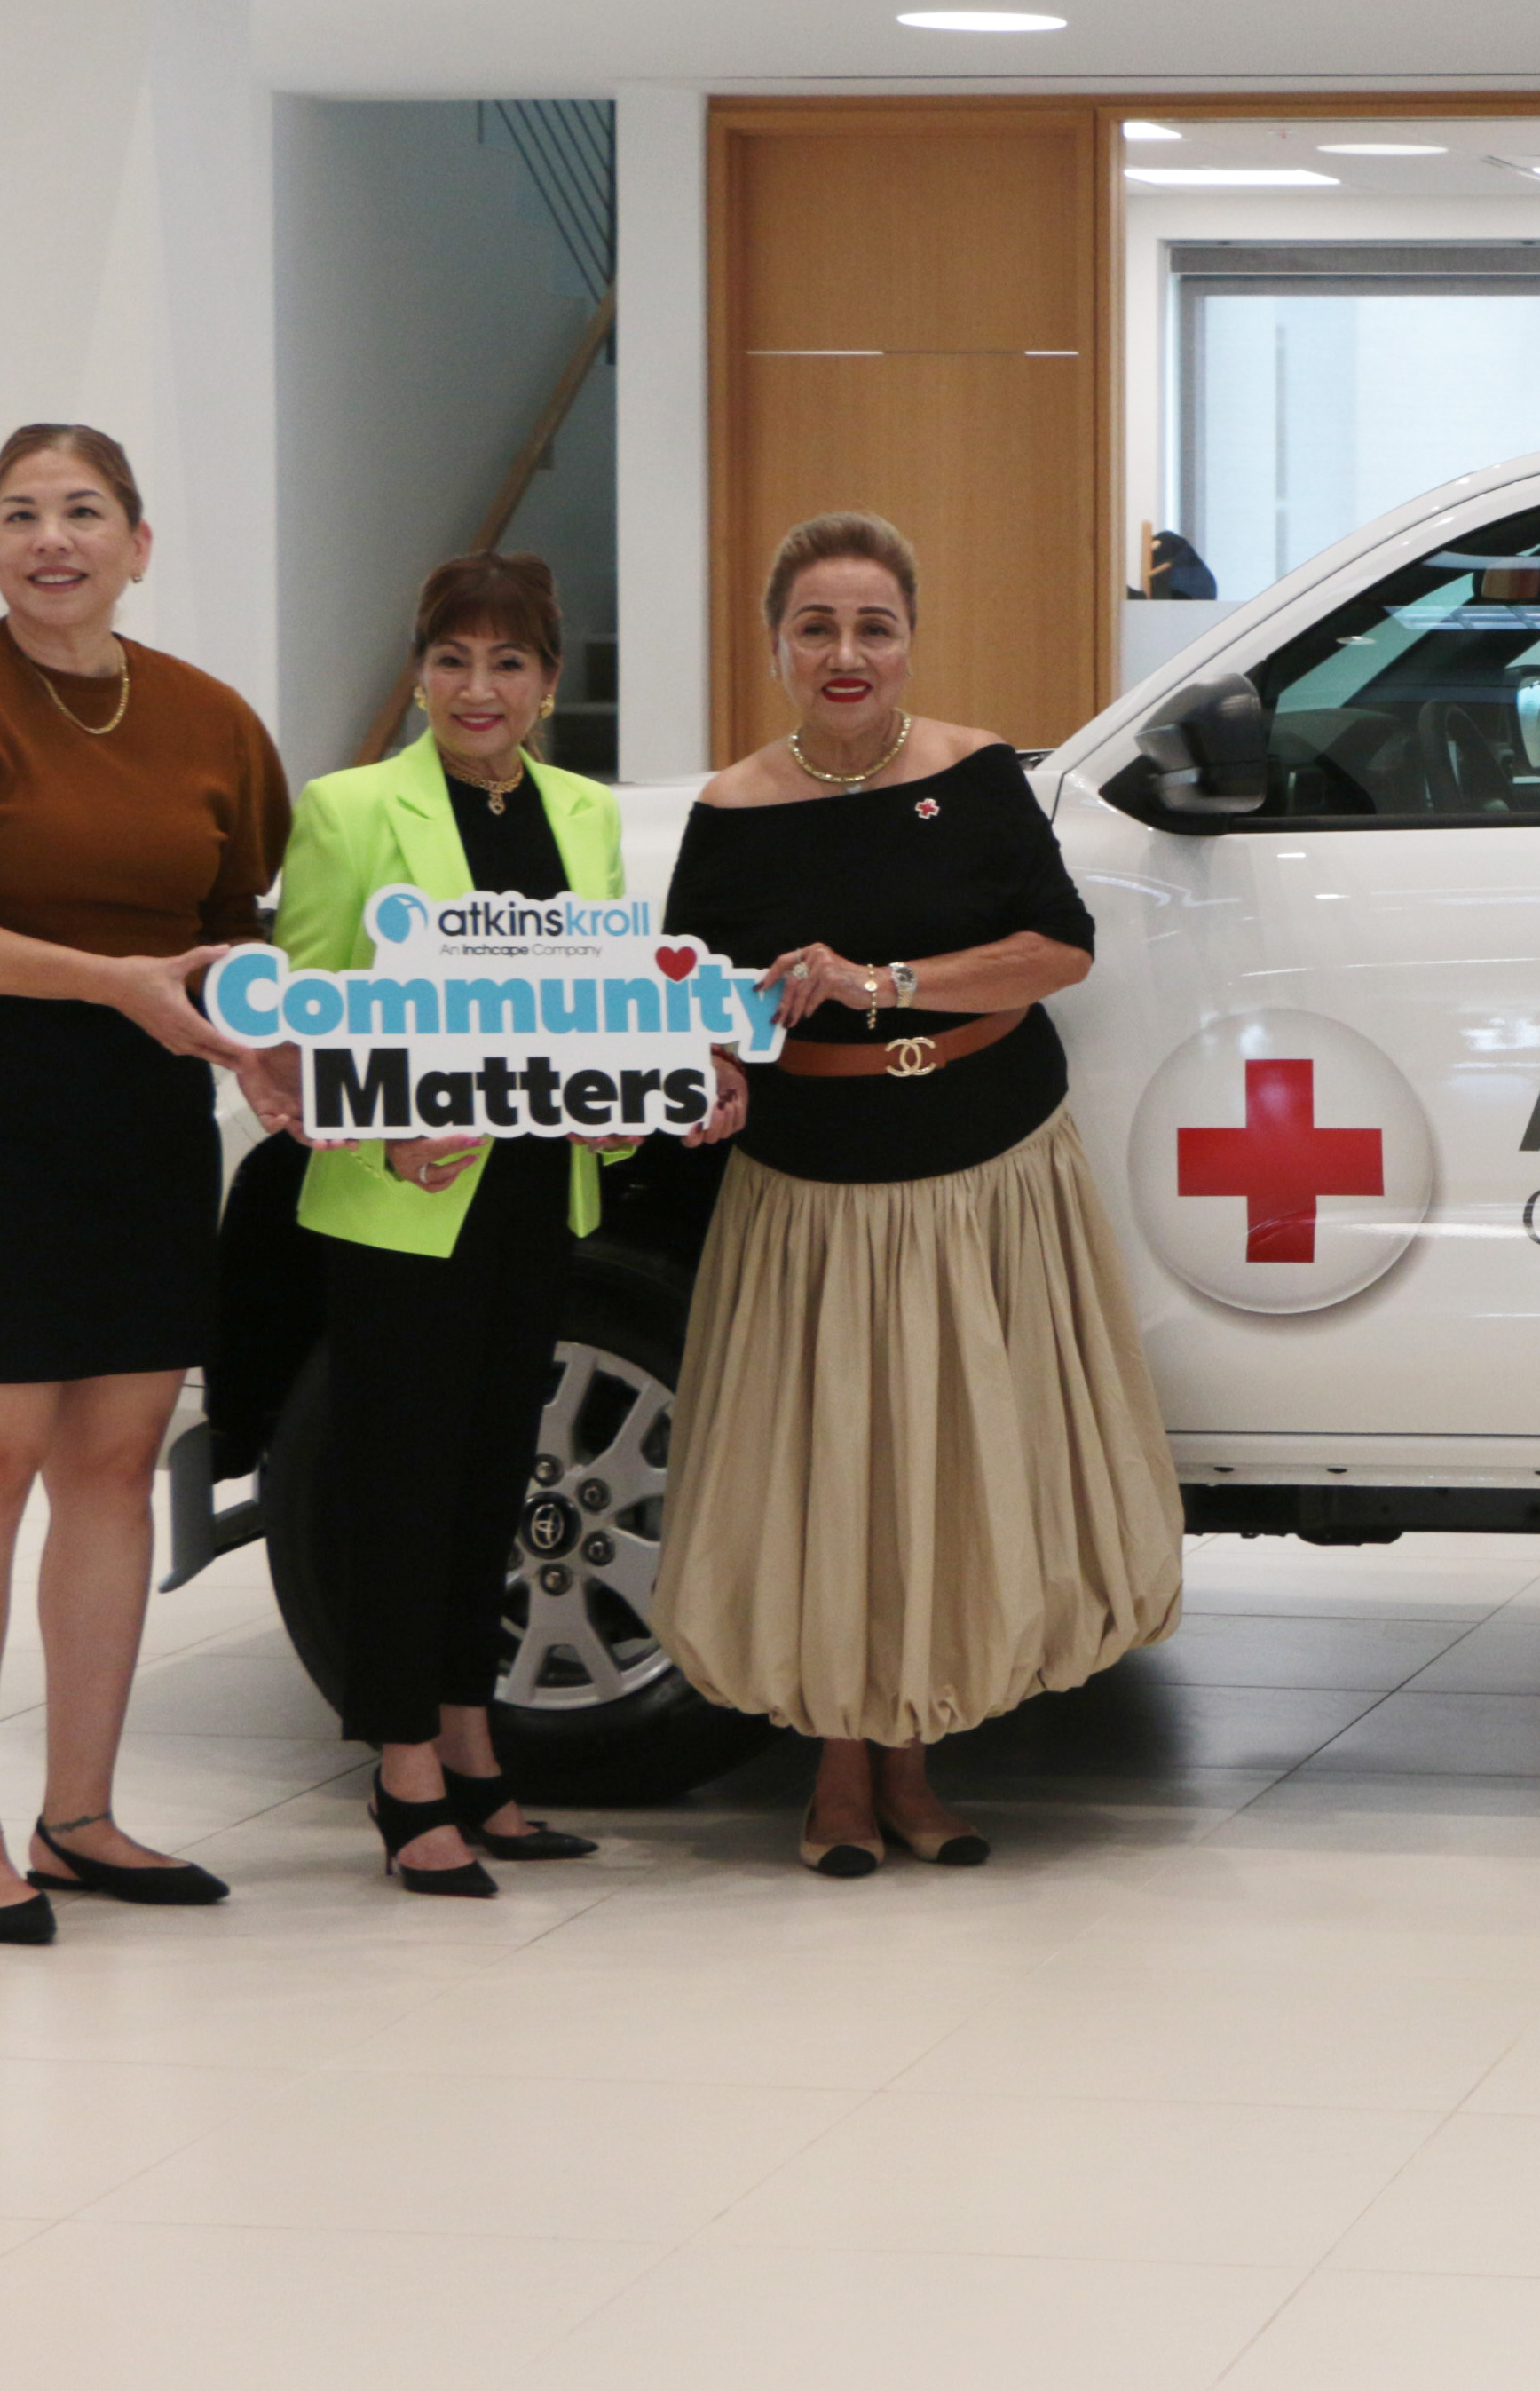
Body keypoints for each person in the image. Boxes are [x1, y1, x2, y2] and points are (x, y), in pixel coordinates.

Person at [650, 511, 1182, 1872]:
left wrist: (884, 982)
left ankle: (916, 1759)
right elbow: (696, 1001)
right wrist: (710, 1068)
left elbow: (1058, 951)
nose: (846, 653)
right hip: (813, 1188)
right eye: (816, 627)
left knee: (946, 1466)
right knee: (835, 1471)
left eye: (872, 626)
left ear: (908, 642)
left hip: (983, 1169)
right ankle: (838, 1771)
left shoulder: (978, 775)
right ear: (776, 645)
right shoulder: (729, 810)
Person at [0, 424, 291, 1944]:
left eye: (83, 511)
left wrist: (267, 1046)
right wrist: (107, 981)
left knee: (117, 1452)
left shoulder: (210, 719)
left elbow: (231, 940)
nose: (51, 539)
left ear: (139, 544)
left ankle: (79, 1816)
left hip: (142, 1109)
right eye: (19, 514)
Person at [261, 552, 743, 1896]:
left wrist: (627, 1099)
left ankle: (475, 1751)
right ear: (419, 671)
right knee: (402, 1489)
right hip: (397, 1207)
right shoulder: (350, 812)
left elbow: (597, 999)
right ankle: (402, 1769)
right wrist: (380, 1120)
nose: (480, 688)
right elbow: (299, 1027)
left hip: (541, 1189)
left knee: (494, 1481)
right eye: (455, 660)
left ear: (547, 685)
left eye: (510, 663)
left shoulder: (585, 816)